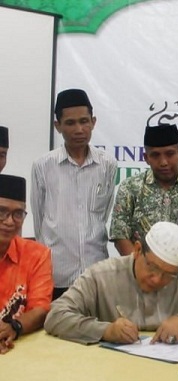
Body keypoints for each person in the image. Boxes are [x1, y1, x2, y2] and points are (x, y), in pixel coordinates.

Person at [44, 221, 178, 345]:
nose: (157, 279)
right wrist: (105, 330)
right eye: (152, 268)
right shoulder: (101, 275)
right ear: (137, 250)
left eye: (169, 275)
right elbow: (56, 316)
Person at [31, 89, 117, 300]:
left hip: (96, 272)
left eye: (84, 121)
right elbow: (39, 218)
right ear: (57, 126)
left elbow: (103, 214)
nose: (79, 129)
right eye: (70, 123)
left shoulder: (107, 165)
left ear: (93, 122)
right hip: (56, 274)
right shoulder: (43, 166)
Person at [110, 124, 178, 255]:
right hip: (140, 272)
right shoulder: (131, 188)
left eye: (170, 154)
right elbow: (120, 236)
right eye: (155, 155)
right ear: (146, 158)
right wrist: (142, 270)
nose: (163, 162)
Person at [0, 175, 53, 354]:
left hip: (20, 349)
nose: (9, 221)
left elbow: (41, 308)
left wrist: (14, 327)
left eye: (18, 214)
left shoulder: (37, 254)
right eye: (1, 211)